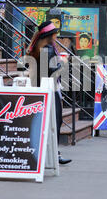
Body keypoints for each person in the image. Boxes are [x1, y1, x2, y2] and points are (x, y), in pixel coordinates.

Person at [26, 20, 72, 165]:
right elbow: (53, 71)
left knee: (43, 123)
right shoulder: (48, 49)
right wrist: (63, 62)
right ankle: (55, 154)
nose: (56, 37)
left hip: (39, 88)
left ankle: (46, 154)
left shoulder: (37, 48)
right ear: (50, 36)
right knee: (55, 122)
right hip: (50, 90)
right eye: (55, 34)